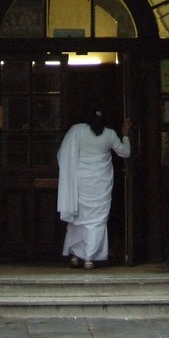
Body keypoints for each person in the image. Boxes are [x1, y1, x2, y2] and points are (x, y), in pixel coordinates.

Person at [56, 107, 132, 270]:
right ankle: (89, 258)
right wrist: (125, 135)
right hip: (101, 182)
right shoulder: (110, 134)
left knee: (78, 219)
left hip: (80, 181)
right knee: (97, 220)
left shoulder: (77, 130)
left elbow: (62, 153)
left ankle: (76, 256)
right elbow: (125, 153)